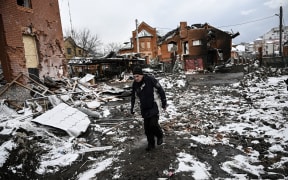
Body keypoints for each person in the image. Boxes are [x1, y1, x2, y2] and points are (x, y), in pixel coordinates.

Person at [130, 66, 167, 151]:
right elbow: (132, 97)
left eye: (137, 76)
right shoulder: (135, 84)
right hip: (144, 107)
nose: (136, 78)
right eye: (134, 76)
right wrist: (132, 108)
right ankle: (151, 144)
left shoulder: (150, 79)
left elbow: (161, 90)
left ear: (142, 75)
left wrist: (164, 103)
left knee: (153, 124)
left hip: (154, 105)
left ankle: (159, 135)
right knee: (147, 128)